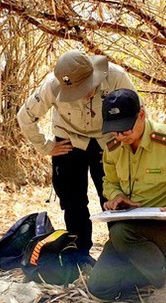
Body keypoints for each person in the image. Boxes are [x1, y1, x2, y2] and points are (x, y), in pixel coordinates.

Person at [87, 88, 166, 303]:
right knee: (101, 289)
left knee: (120, 233)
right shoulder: (114, 147)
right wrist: (116, 197)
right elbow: (110, 181)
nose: (119, 137)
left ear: (142, 115)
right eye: (114, 131)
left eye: (124, 130)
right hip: (130, 231)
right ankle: (153, 265)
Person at [17, 50, 136, 265]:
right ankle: (79, 257)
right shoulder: (51, 87)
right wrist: (45, 146)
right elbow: (25, 117)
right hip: (68, 143)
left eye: (85, 88)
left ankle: (122, 253)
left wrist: (122, 140)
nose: (83, 95)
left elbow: (137, 111)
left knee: (112, 199)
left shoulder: (116, 76)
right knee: (73, 202)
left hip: (106, 142)